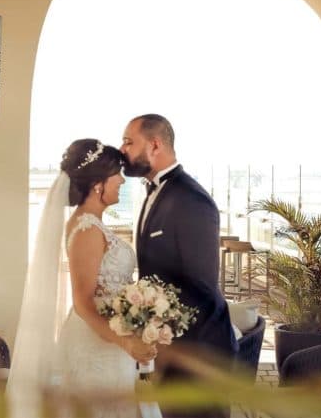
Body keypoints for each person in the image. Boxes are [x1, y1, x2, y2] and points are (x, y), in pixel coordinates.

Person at [7, 138, 157, 418]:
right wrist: (126, 342)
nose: (122, 182)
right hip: (95, 348)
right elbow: (83, 302)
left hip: (108, 342)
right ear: (99, 183)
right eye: (117, 175)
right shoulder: (87, 228)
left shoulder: (92, 223)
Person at [121, 114, 238, 418]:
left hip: (199, 351)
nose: (123, 149)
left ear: (155, 144)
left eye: (129, 142)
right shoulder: (153, 192)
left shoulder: (191, 200)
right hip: (172, 349)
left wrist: (159, 335)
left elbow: (201, 286)